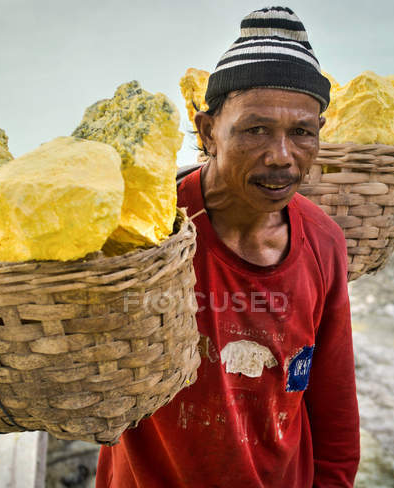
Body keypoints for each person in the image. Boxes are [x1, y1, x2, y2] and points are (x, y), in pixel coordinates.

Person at [96, 6, 360, 487]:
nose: (282, 157)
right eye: (255, 129)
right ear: (207, 132)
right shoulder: (146, 229)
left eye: (302, 132)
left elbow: (332, 398)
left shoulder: (323, 242)